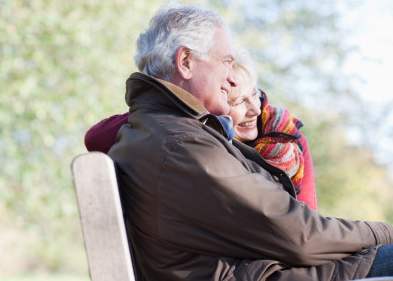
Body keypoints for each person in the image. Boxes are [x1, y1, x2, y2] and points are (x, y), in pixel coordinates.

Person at [105, 3, 393, 281]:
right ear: (186, 63)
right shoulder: (181, 143)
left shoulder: (163, 132)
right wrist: (381, 232)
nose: (233, 77)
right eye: (225, 61)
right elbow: (295, 233)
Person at [84, 47, 318, 209]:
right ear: (216, 106)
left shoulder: (287, 137)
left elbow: (306, 216)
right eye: (237, 102)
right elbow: (96, 138)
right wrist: (182, 106)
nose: (255, 110)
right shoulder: (200, 144)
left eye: (255, 94)